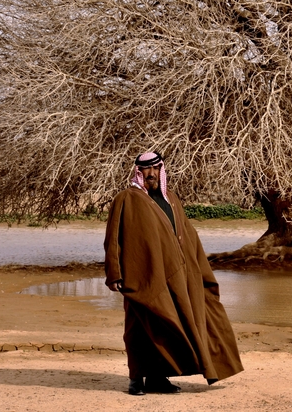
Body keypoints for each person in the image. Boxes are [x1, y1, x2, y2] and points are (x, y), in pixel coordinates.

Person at [104, 151, 243, 395]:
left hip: (178, 276)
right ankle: (136, 379)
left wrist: (199, 270)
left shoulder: (172, 199)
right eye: (146, 170)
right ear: (138, 172)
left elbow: (189, 236)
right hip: (142, 277)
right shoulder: (126, 199)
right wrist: (114, 274)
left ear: (161, 170)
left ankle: (158, 379)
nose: (151, 174)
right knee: (139, 329)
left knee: (169, 327)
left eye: (155, 169)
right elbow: (113, 238)